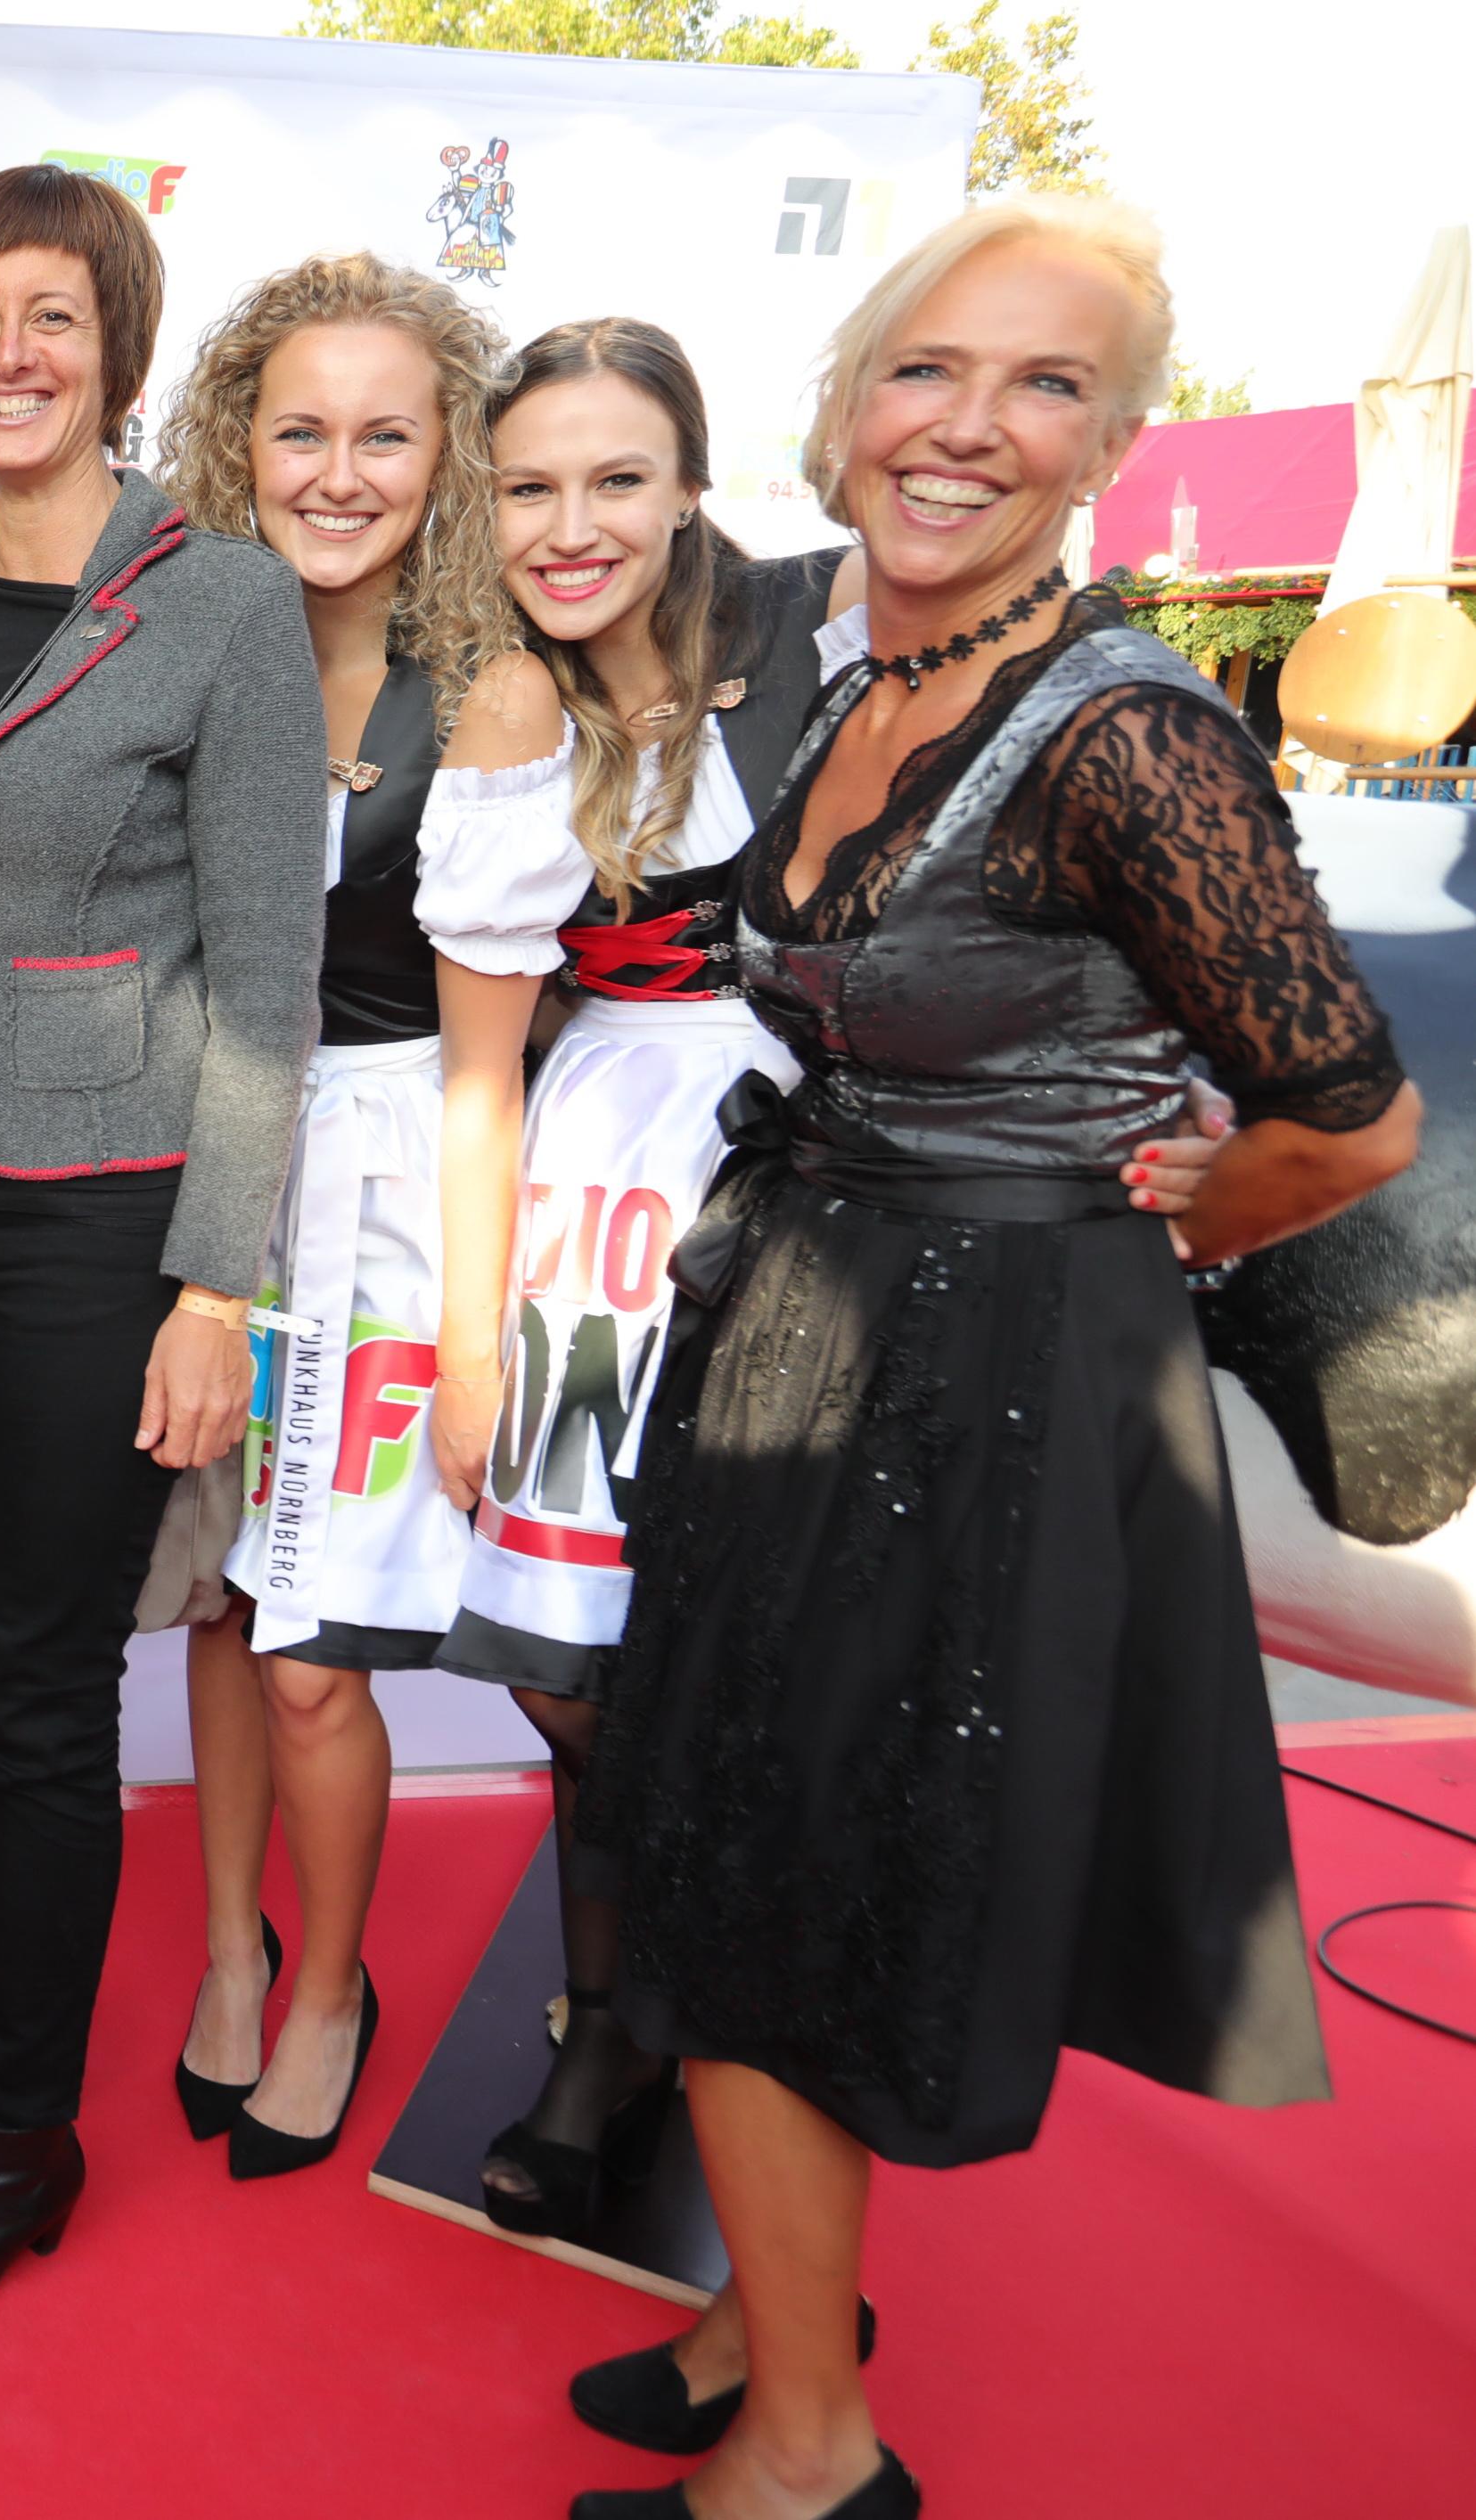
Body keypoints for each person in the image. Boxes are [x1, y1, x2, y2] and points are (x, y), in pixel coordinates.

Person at [567, 198, 1415, 2520]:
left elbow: (1352, 1118)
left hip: (980, 1386)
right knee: (737, 1840)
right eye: (925, 367)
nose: (965, 424)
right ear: (847, 401)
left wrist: (1161, 1215)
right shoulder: (867, 671)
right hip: (816, 1326)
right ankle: (768, 2317)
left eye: (1045, 384)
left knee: (778, 1881)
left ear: (1111, 446)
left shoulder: (1125, 739)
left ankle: (806, 2455)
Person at [0, 165, 325, 2321]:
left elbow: (268, 980)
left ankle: (22, 2140)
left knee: (34, 1680)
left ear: (116, 350)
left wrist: (215, 1286)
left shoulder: (223, 603)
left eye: (50, 317)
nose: (7, 354)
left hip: (96, 1216)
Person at [422, 316, 873, 2238]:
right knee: (575, 1668)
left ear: (692, 481)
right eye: (529, 487)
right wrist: (467, 1349)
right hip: (596, 1191)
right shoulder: (508, 705)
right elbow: (477, 1066)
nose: (572, 523)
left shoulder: (828, 629)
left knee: (762, 1644)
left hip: (816, 1185)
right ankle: (613, 2020)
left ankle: (731, 2023)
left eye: (618, 478)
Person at [138, 253, 537, 2180]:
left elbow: (486, 1068)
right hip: (206, 1176)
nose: (339, 471)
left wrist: (470, 1337)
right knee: (224, 1601)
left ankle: (327, 1987)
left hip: (386, 1193)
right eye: (299, 429)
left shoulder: (494, 687)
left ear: (449, 454)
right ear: (238, 442)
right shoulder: (189, 644)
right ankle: (232, 1951)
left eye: (387, 433)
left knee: (314, 1648)